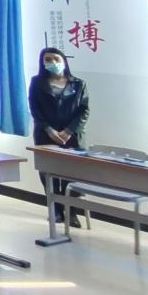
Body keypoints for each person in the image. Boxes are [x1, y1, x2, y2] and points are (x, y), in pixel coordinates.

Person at [28, 47, 88, 227]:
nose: (52, 63)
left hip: (72, 136)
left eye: (56, 59)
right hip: (46, 135)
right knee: (48, 173)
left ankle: (72, 212)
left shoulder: (78, 83)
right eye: (47, 60)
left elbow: (84, 111)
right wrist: (49, 130)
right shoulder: (37, 83)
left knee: (73, 174)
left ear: (64, 61)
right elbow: (35, 109)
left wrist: (69, 131)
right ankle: (55, 211)